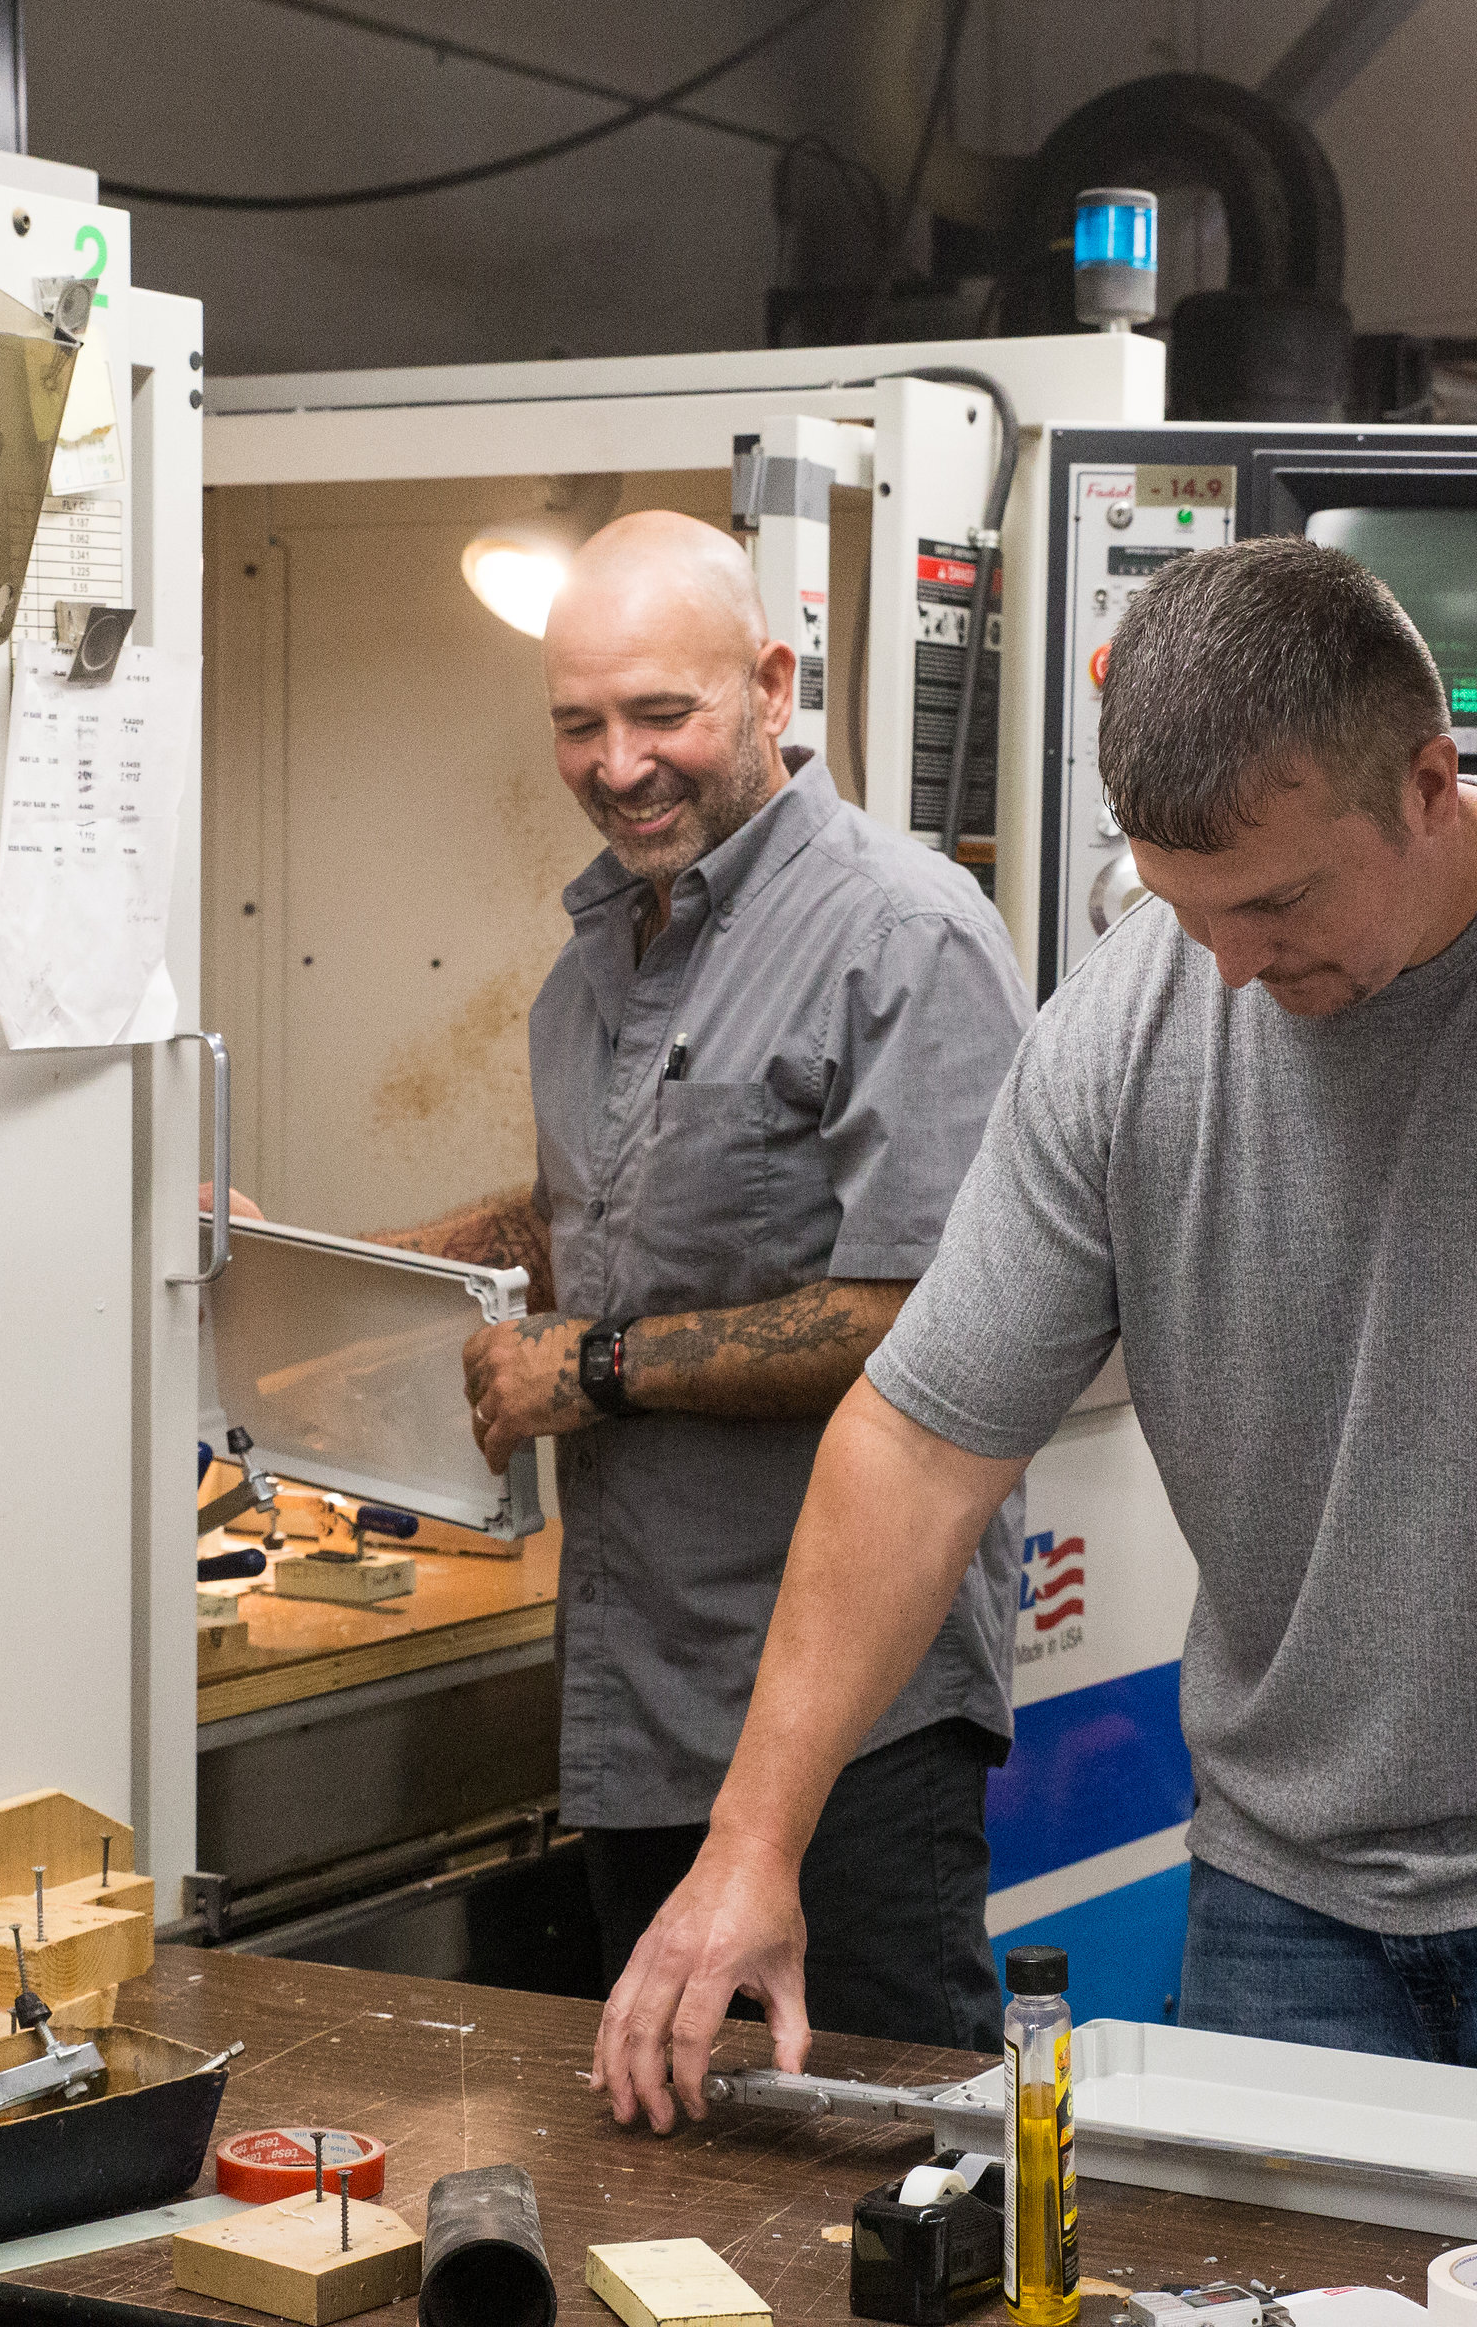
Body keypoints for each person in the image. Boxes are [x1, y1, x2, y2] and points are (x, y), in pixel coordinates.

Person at [589, 537, 1477, 2243]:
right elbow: (920, 1445)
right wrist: (750, 1844)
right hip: (1284, 1885)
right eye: (1180, 907)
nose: (1225, 970)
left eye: (1276, 906)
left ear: (1430, 785)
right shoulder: (1134, 1022)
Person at [387, 509, 1035, 2053]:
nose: (620, 765)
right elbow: (594, 1219)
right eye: (580, 726)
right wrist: (341, 1269)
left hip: (848, 1718)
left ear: (771, 684)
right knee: (670, 2164)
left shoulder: (902, 935)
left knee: (873, 2168)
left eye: (663, 715)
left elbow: (930, 1322)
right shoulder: (594, 960)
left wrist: (594, 1368)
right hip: (639, 1693)